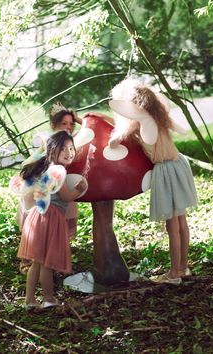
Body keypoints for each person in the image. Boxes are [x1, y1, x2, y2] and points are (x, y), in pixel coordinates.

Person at [108, 77, 197, 285]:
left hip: (165, 170)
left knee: (172, 225)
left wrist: (118, 135)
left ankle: (174, 273)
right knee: (181, 221)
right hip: (179, 164)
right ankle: (183, 266)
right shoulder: (160, 117)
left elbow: (113, 141)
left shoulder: (139, 123)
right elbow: (182, 129)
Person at [14, 131, 87, 308]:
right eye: (63, 149)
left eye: (71, 148)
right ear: (53, 150)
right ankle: (48, 298)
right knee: (47, 263)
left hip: (37, 216)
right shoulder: (57, 172)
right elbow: (67, 197)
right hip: (50, 218)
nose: (69, 152)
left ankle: (30, 300)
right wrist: (79, 189)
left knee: (36, 263)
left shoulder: (42, 169)